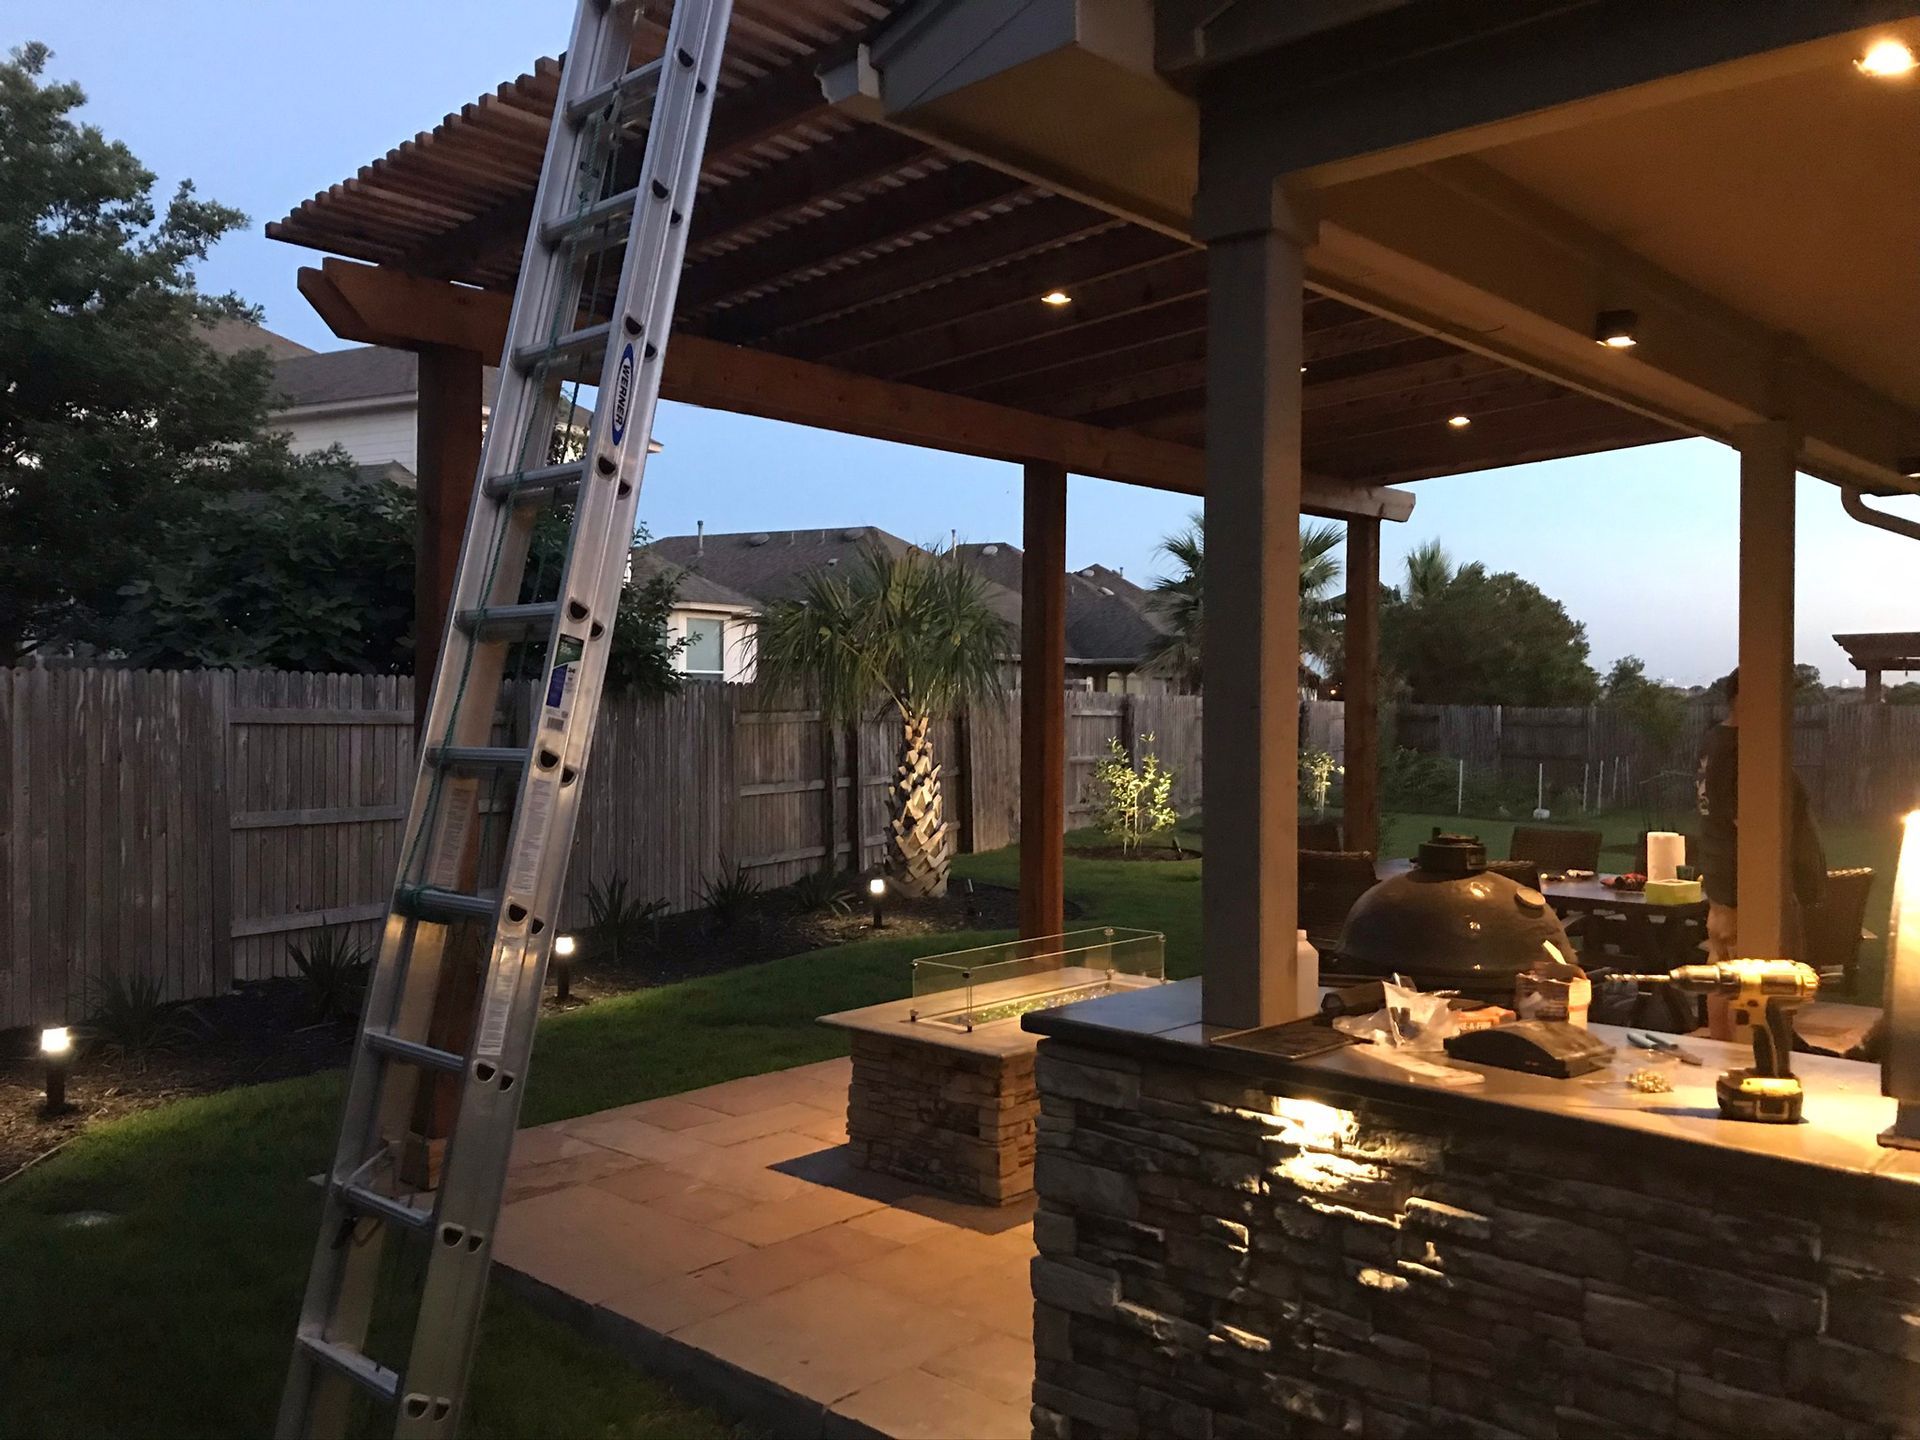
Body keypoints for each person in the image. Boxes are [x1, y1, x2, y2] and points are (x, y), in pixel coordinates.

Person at [1695, 666, 1828, 1035]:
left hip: (1725, 885)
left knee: (1723, 971)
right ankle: (1746, 1059)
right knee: (1758, 985)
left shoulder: (1716, 741)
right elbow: (1753, 825)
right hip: (1750, 888)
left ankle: (1724, 1055)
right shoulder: (1745, 751)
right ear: (1749, 698)